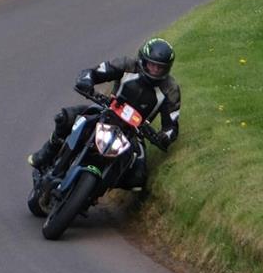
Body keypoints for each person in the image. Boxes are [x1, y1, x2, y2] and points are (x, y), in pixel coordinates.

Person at [28, 37, 181, 189]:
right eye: (152, 65)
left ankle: (99, 189)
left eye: (159, 67)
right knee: (65, 118)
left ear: (167, 69)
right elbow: (94, 72)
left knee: (137, 178)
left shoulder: (171, 89)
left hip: (134, 132)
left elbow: (171, 125)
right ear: (143, 60)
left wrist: (164, 136)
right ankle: (47, 152)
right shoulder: (127, 65)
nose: (155, 70)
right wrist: (86, 81)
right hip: (107, 111)